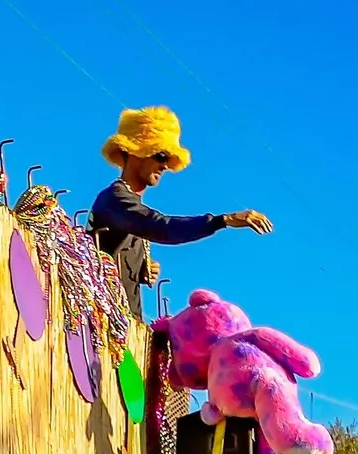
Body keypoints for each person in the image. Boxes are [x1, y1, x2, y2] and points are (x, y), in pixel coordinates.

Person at [90, 107, 272, 317]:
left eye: (168, 160)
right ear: (134, 150)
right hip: (102, 328)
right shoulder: (114, 199)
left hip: (126, 330)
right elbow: (162, 227)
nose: (164, 166)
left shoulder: (126, 205)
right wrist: (224, 220)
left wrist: (140, 269)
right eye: (160, 156)